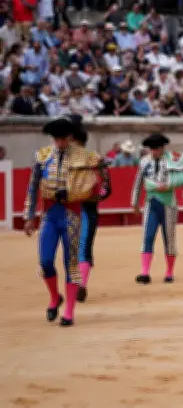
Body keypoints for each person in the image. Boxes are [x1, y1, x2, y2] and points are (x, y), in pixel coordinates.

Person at [23, 117, 103, 327]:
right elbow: (32, 187)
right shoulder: (42, 156)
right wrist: (29, 216)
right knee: (45, 262)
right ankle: (54, 297)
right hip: (49, 215)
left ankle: (69, 311)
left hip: (71, 215)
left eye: (62, 138)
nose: (58, 143)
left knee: (71, 264)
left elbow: (94, 187)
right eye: (55, 139)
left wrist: (72, 192)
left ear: (70, 138)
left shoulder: (85, 158)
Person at [131, 134, 183, 285]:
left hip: (168, 204)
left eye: (156, 149)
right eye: (152, 149)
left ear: (162, 148)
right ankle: (145, 272)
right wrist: (135, 203)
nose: (154, 152)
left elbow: (181, 178)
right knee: (148, 236)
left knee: (169, 239)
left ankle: (169, 272)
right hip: (151, 202)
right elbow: (138, 182)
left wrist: (168, 185)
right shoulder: (144, 162)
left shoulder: (173, 160)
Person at [72, 126, 112, 303]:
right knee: (81, 247)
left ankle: (79, 283)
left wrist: (95, 196)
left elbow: (106, 187)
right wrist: (97, 196)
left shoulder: (92, 159)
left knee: (80, 247)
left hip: (81, 208)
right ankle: (79, 282)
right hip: (84, 208)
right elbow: (107, 186)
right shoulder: (96, 159)